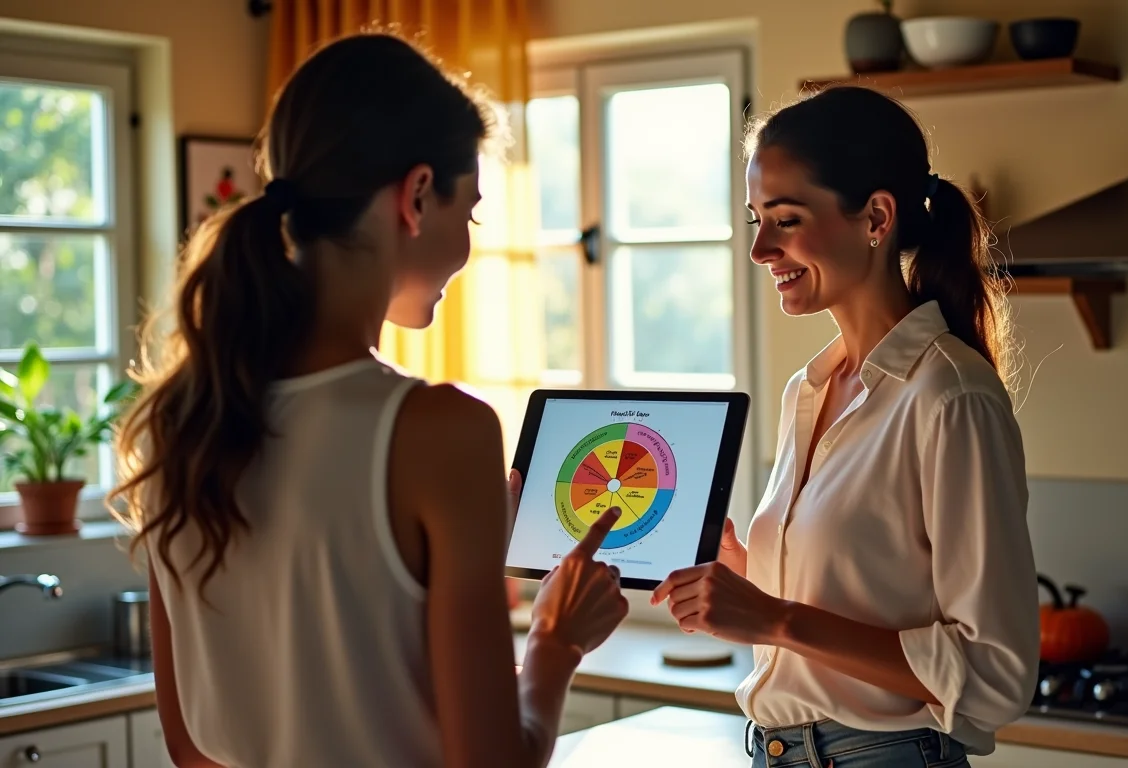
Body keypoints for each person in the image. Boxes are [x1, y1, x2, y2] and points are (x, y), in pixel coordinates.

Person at [110, 33, 627, 768]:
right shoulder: (442, 431)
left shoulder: (179, 424)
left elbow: (192, 750)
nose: (470, 243)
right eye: (471, 214)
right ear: (416, 196)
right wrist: (555, 643)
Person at [651, 84, 1039, 766]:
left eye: (787, 219)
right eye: (755, 221)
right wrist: (746, 576)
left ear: (875, 218)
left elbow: (993, 673)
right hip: (781, 752)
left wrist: (772, 618)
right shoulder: (812, 388)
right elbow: (850, 599)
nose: (760, 250)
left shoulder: (949, 396)